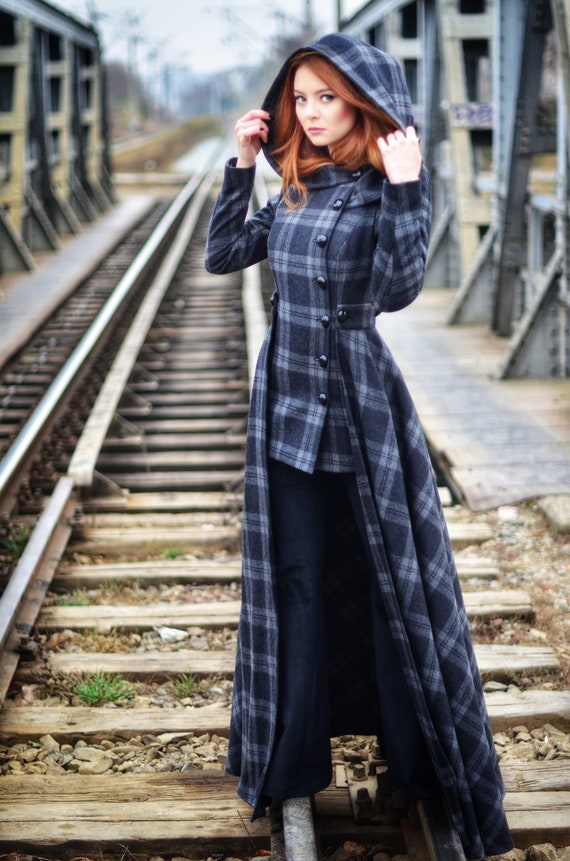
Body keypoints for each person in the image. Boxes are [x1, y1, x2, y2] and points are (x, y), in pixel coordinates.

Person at [205, 33, 513, 861]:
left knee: (390, 584)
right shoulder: (295, 184)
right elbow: (223, 253)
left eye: (327, 99)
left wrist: (410, 188)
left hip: (362, 406)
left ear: (363, 105)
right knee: (295, 580)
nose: (309, 114)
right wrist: (242, 166)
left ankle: (415, 760)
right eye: (300, 99)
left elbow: (397, 288)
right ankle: (292, 761)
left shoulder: (386, 187)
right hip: (285, 409)